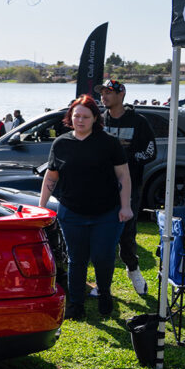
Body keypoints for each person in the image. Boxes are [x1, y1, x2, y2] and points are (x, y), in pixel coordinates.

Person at [39, 95, 132, 321]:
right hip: (71, 212)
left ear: (94, 118)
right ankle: (76, 304)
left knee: (103, 256)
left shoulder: (108, 142)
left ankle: (104, 293)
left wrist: (125, 206)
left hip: (106, 212)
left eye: (85, 116)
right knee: (76, 259)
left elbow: (123, 174)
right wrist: (42, 206)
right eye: (76, 116)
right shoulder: (61, 143)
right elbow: (51, 176)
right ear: (70, 117)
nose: (80, 120)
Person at [96, 79, 156, 295]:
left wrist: (126, 157)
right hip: (102, 187)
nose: (104, 96)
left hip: (129, 187)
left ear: (122, 94)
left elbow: (151, 152)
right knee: (102, 235)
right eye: (102, 92)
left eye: (108, 92)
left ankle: (133, 270)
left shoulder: (138, 121)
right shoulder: (99, 120)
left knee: (126, 233)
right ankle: (104, 284)